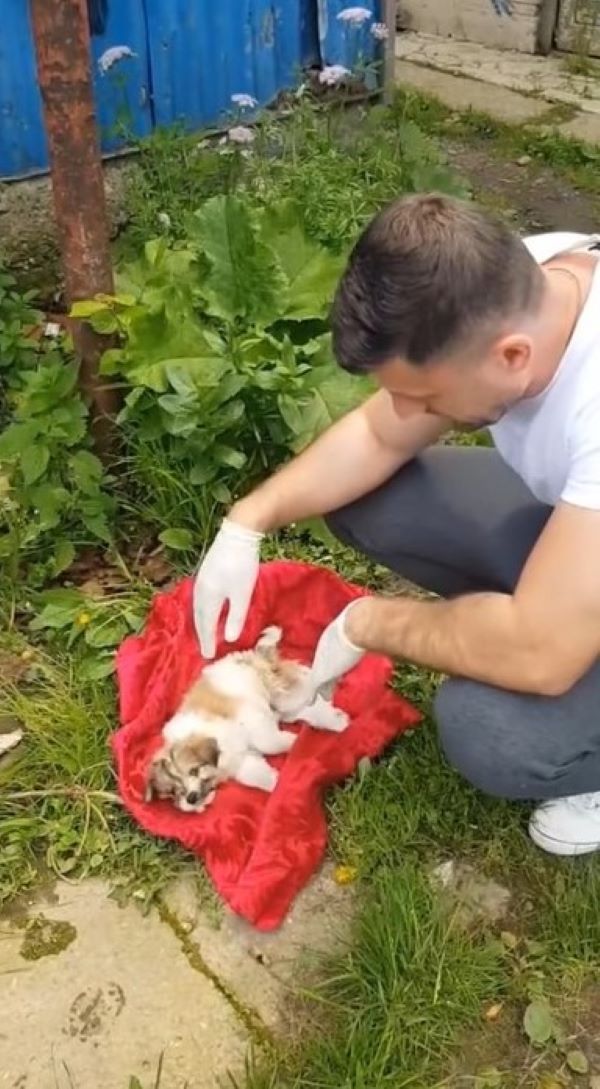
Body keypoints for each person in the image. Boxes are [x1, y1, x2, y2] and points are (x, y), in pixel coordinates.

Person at [193, 194, 600, 858]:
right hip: (584, 525)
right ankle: (532, 607)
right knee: (377, 495)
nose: (405, 412)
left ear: (512, 356)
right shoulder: (527, 276)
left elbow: (541, 654)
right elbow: (377, 437)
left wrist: (370, 623)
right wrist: (247, 521)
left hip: (562, 602)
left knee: (493, 730)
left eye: (426, 396)